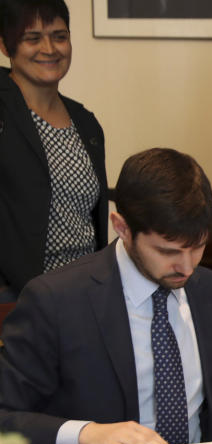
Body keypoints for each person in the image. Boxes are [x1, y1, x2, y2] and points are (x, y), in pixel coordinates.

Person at [0, 148, 212, 444]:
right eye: (167, 252)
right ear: (122, 228)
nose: (187, 267)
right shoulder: (57, 299)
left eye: (198, 247)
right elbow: (6, 417)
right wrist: (87, 433)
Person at [0, 0, 108, 301]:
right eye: (32, 38)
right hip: (18, 300)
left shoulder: (86, 123)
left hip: (84, 294)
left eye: (59, 36)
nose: (49, 48)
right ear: (6, 46)